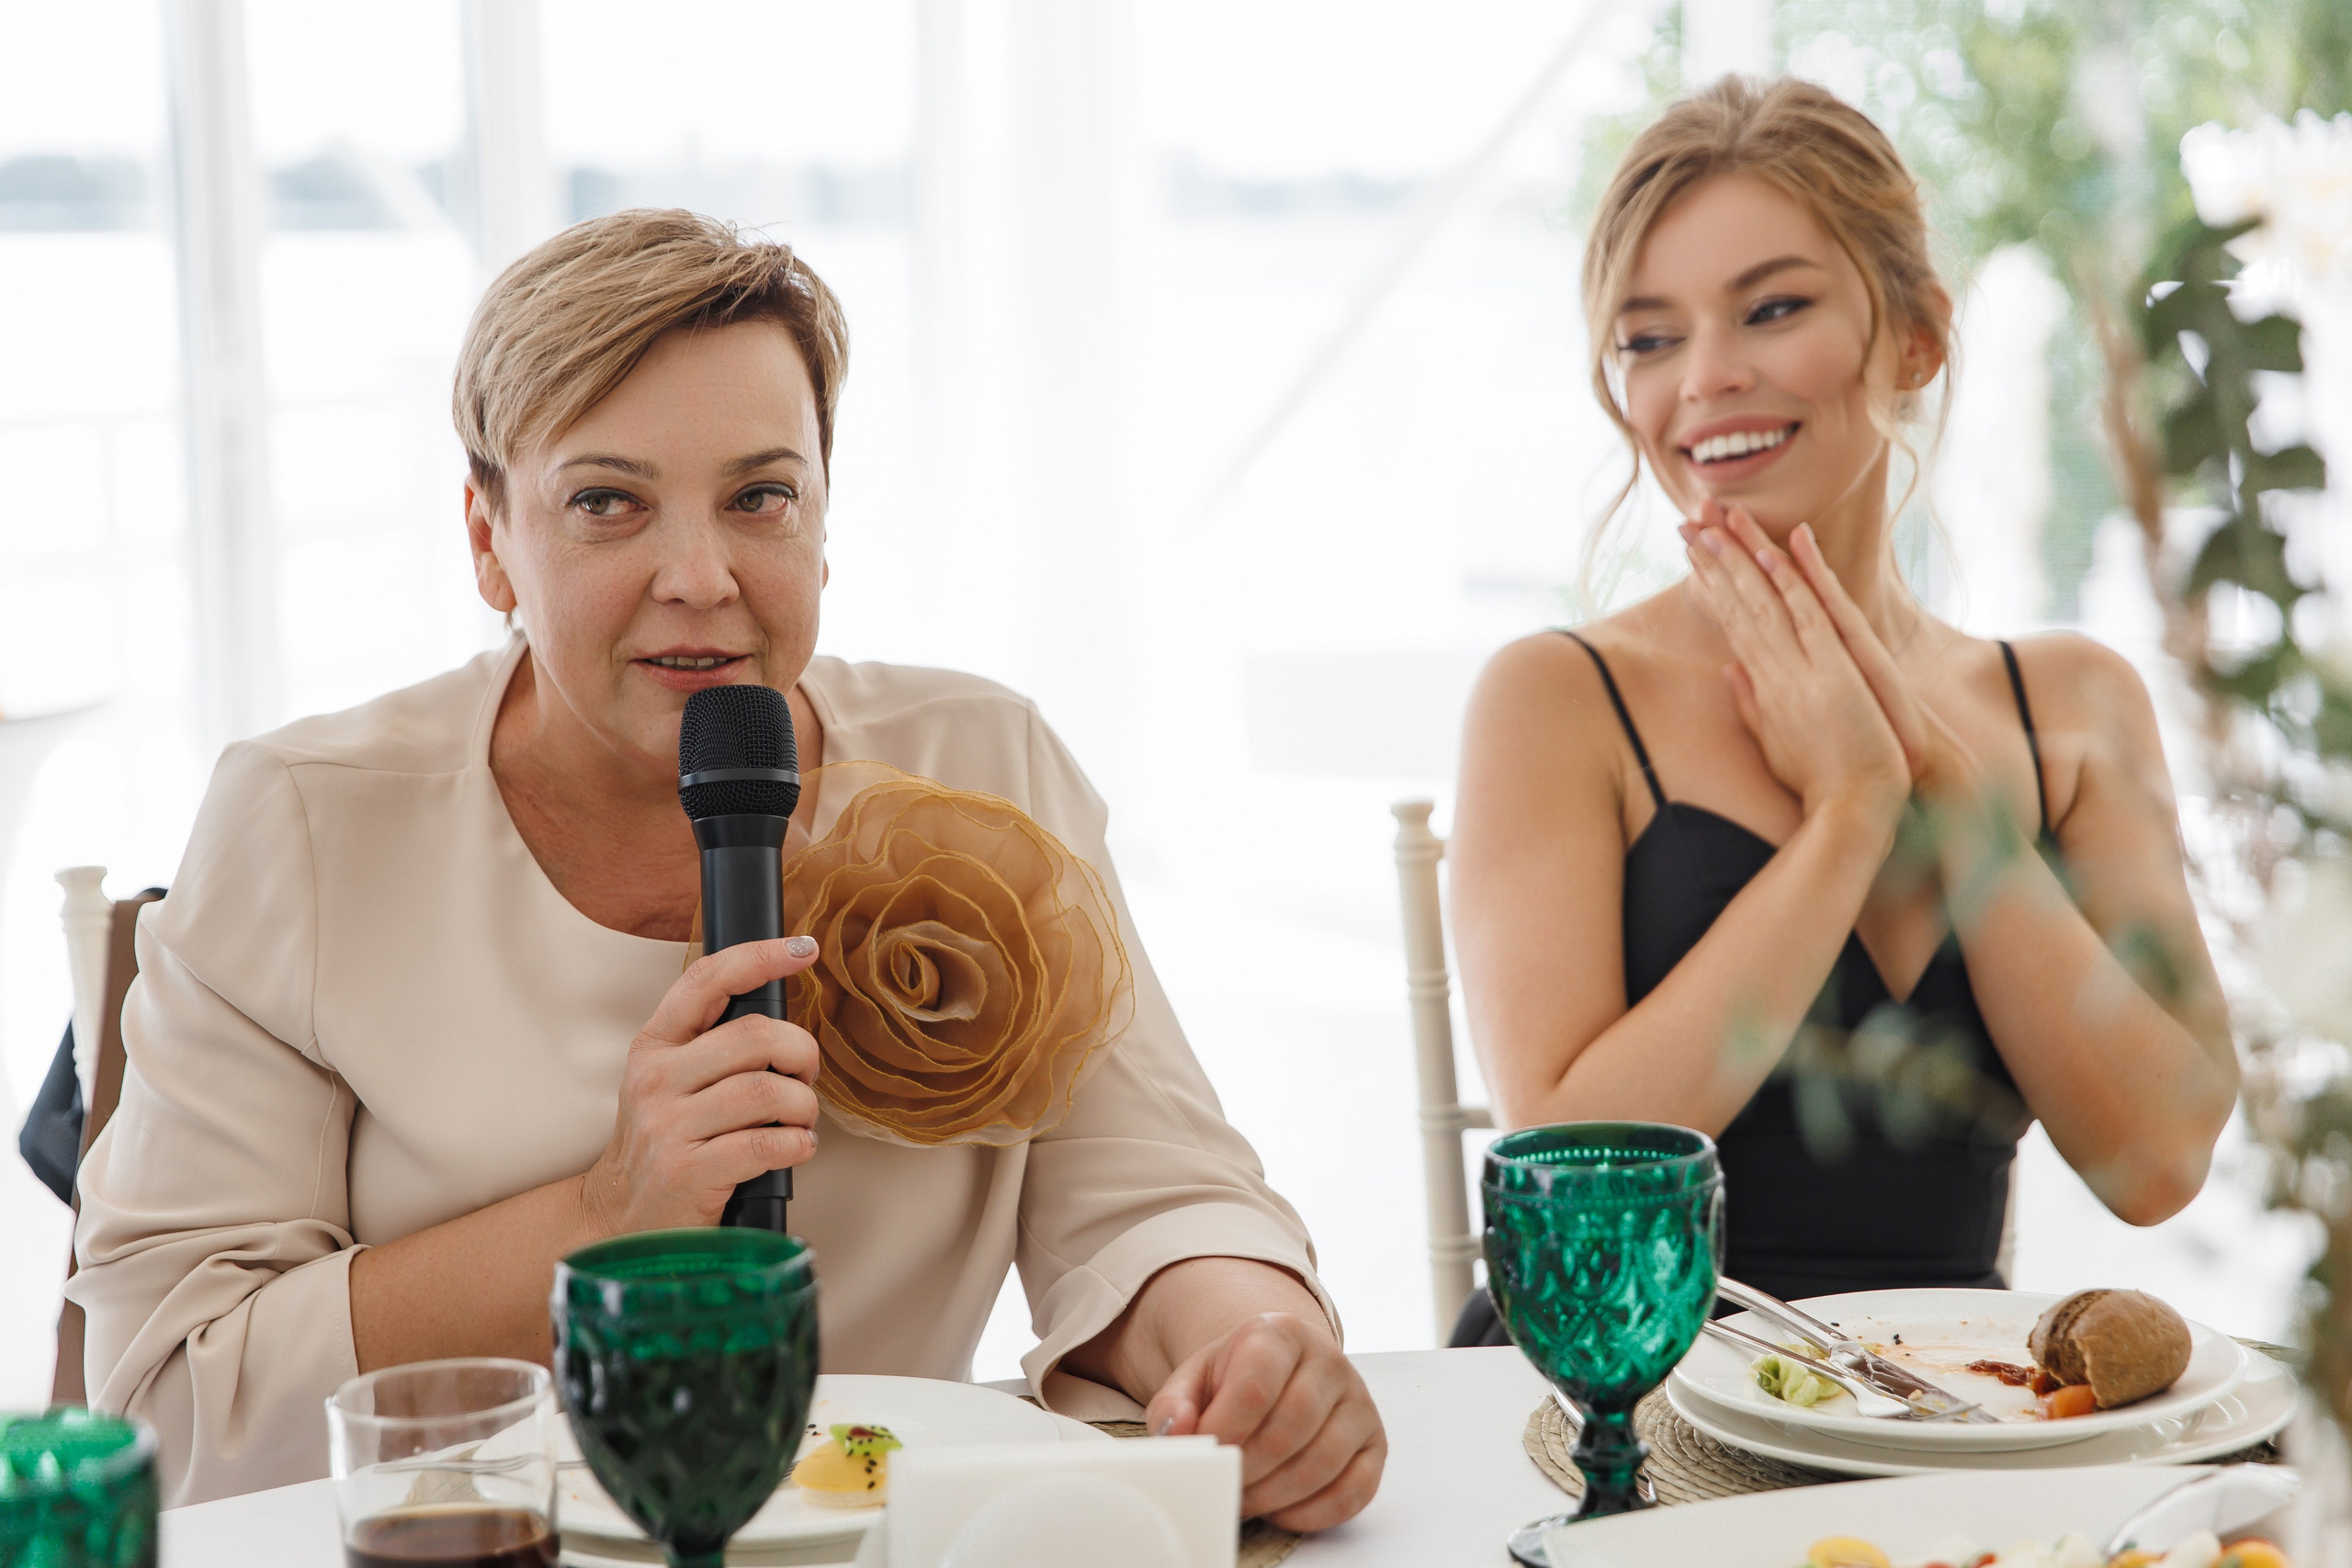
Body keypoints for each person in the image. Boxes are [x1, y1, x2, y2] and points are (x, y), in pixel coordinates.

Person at [70, 209, 1385, 1526]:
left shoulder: (985, 761)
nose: (700, 578)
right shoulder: (305, 825)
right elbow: (173, 1409)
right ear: (487, 539)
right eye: (606, 502)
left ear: (823, 518)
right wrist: (608, 1214)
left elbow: (1155, 1202)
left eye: (761, 497)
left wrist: (1256, 1357)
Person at [1449, 78, 2237, 1337]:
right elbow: (1572, 1174)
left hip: (1942, 1407)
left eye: (1772, 309)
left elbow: (2159, 1161)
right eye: (1650, 339)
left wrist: (1946, 789)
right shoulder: (1556, 702)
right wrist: (1850, 814)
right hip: (1619, 1408)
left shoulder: (2073, 706)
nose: (1707, 377)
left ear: (1916, 339)